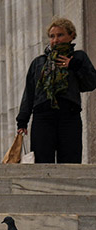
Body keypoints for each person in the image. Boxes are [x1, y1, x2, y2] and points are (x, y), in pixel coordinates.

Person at [17, 17, 96, 164]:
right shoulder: (39, 62)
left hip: (69, 116)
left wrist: (74, 66)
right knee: (41, 161)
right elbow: (30, 93)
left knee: (70, 160)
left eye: (60, 35)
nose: (55, 40)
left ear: (72, 35)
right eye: (52, 36)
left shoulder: (78, 57)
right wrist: (22, 120)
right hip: (43, 117)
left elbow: (90, 84)